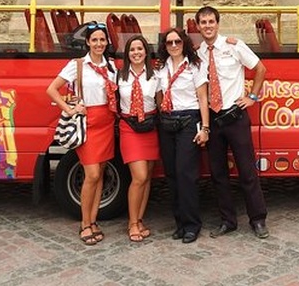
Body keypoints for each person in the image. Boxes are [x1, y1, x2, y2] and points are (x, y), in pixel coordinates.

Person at [195, 6, 269, 239]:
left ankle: (258, 219)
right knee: (218, 174)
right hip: (213, 119)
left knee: (247, 171)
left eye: (211, 22)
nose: (207, 26)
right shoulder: (198, 53)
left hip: (235, 117)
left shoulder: (234, 45)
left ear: (218, 24)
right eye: (203, 22)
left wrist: (253, 97)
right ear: (198, 26)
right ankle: (228, 220)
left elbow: (260, 68)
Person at [45, 21, 117, 246]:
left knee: (101, 175)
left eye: (102, 40)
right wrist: (69, 108)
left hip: (107, 123)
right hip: (87, 124)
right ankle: (84, 223)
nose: (98, 43)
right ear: (87, 42)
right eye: (94, 39)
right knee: (92, 175)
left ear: (107, 42)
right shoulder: (77, 65)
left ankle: (93, 220)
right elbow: (52, 89)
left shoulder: (111, 66)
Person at [155, 27, 210, 244]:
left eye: (178, 41)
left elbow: (203, 98)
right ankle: (179, 223)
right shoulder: (161, 68)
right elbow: (159, 97)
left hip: (189, 120)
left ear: (184, 43)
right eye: (169, 43)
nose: (174, 46)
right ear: (165, 46)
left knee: (186, 174)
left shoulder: (195, 66)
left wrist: (205, 128)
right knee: (172, 175)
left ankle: (191, 225)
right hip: (167, 121)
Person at [116, 35, 160, 243]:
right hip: (129, 127)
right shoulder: (119, 76)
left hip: (150, 127)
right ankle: (132, 223)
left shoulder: (156, 76)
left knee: (148, 176)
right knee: (139, 176)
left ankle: (140, 219)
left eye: (140, 49)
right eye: (132, 49)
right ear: (127, 54)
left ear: (146, 51)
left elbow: (161, 104)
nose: (136, 53)